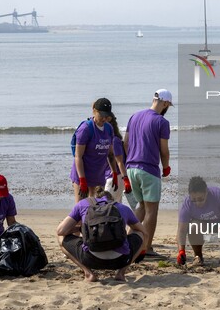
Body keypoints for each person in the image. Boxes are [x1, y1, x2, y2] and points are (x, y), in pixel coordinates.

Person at [56, 188, 146, 282]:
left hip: (90, 259)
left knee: (61, 237)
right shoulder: (122, 207)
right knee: (140, 234)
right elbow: (144, 231)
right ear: (111, 199)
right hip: (120, 259)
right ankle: (121, 273)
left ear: (94, 197)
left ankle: (88, 274)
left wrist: (80, 229)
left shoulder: (83, 204)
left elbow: (60, 231)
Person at [124, 89, 172, 258]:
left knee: (141, 206)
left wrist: (126, 167)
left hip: (131, 168)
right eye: (168, 105)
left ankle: (128, 243)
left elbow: (126, 143)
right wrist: (166, 167)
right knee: (152, 210)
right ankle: (146, 247)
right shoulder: (161, 122)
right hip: (148, 169)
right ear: (165, 103)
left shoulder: (134, 116)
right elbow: (164, 150)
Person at [176, 176, 220, 266]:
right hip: (201, 227)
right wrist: (181, 251)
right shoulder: (187, 203)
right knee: (193, 227)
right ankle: (198, 256)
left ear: (206, 192)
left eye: (200, 199)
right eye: (194, 200)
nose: (197, 203)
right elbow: (181, 231)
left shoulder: (218, 195)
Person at [71, 97, 118, 203]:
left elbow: (110, 154)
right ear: (94, 111)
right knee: (81, 209)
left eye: (107, 116)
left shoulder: (109, 129)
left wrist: (114, 173)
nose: (104, 119)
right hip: (82, 174)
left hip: (98, 175)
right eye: (102, 115)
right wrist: (82, 180)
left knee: (96, 208)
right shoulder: (85, 129)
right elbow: (78, 156)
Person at [103, 112, 136, 208]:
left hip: (115, 177)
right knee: (116, 205)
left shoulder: (114, 140)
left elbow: (120, 162)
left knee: (107, 205)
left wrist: (126, 180)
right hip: (114, 176)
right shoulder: (109, 139)